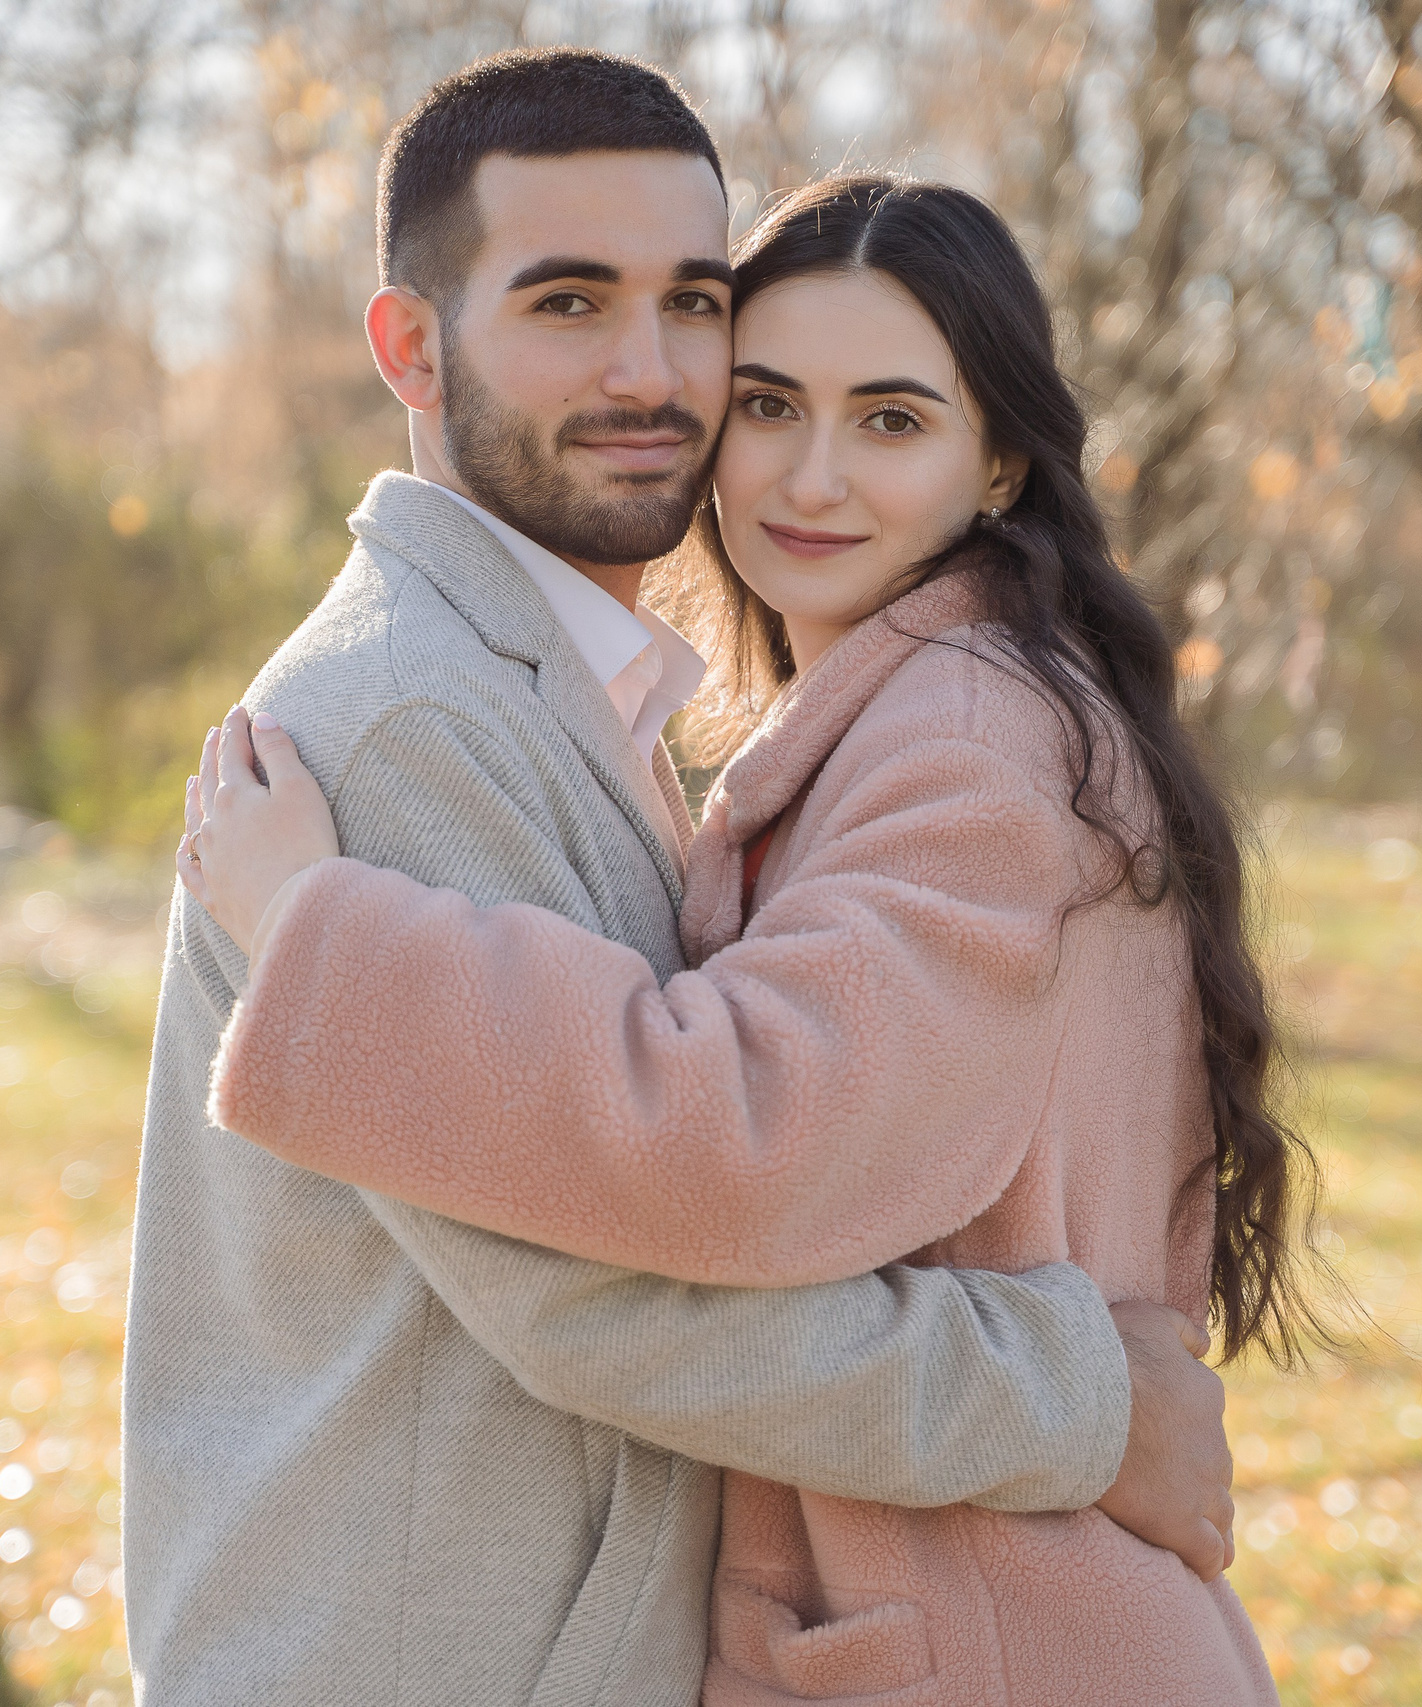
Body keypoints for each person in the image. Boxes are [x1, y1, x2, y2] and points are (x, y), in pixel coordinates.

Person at [126, 51, 1237, 1707]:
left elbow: (721, 1162)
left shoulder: (897, 720)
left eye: (695, 304)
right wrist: (1090, 1404)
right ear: (411, 347)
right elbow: (618, 1287)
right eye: (569, 303)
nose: (655, 375)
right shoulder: (419, 717)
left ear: (997, 461)